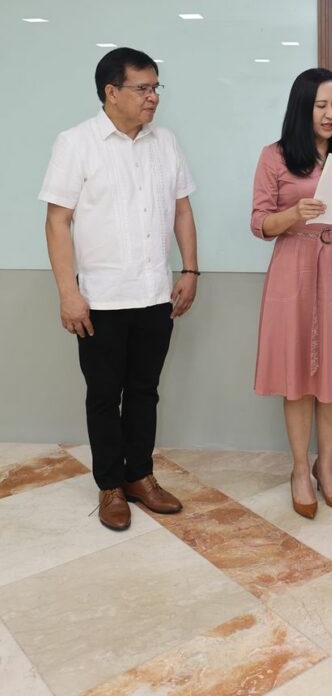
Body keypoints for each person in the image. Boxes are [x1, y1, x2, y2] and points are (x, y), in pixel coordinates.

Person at [39, 47, 199, 531]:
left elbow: (182, 210)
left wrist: (190, 270)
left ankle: (140, 476)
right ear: (111, 92)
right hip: (101, 300)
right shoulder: (76, 143)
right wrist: (68, 293)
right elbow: (57, 221)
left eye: (156, 87)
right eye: (142, 88)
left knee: (145, 391)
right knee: (105, 396)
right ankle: (110, 485)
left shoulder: (165, 142)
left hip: (155, 294)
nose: (153, 97)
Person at [251, 68, 332, 518]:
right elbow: (259, 224)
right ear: (302, 108)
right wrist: (293, 213)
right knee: (298, 376)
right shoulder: (275, 156)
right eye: (320, 105)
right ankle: (299, 470)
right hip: (295, 267)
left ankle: (327, 467)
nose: (329, 114)